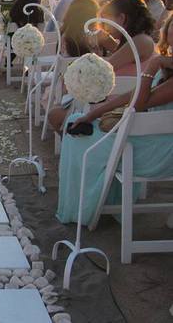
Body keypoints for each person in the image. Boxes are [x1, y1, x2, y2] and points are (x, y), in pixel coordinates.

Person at [56, 50, 173, 225]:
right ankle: (84, 202)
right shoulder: (167, 71)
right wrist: (93, 114)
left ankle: (86, 206)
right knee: (75, 122)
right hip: (146, 138)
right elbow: (131, 95)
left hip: (157, 153)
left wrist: (153, 66)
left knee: (80, 139)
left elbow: (139, 105)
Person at [48, 0, 156, 133]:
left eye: (106, 20)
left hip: (122, 106)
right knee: (59, 111)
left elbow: (105, 68)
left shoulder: (140, 41)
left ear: (121, 18)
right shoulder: (135, 41)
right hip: (116, 100)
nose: (104, 27)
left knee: (55, 115)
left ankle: (80, 148)